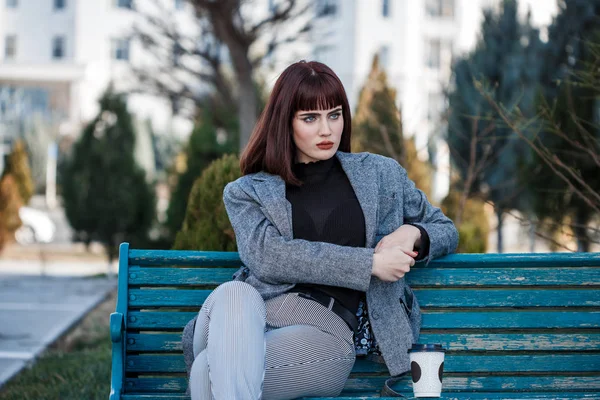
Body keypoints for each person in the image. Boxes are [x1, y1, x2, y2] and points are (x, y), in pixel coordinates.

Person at [181, 60, 459, 400]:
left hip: (324, 330)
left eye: (335, 114)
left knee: (208, 371)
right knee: (235, 294)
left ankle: (206, 377)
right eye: (310, 118)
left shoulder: (381, 175)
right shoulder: (247, 192)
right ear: (286, 123)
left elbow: (444, 228)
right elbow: (269, 258)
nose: (326, 130)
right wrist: (370, 263)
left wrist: (413, 233)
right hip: (244, 315)